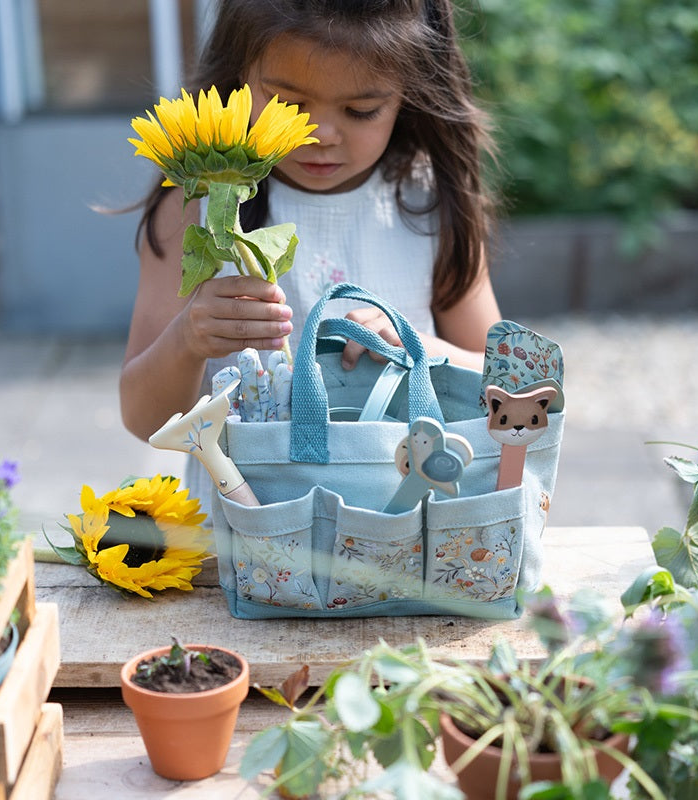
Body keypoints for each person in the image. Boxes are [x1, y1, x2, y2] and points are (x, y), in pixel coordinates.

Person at [120, 0, 502, 510]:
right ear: (239, 79)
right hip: (243, 546)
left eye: (362, 110)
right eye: (286, 102)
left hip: (401, 537)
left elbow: (508, 385)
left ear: (408, 96)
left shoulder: (427, 205)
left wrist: (421, 353)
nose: (321, 134)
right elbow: (146, 420)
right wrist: (189, 339)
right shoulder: (194, 207)